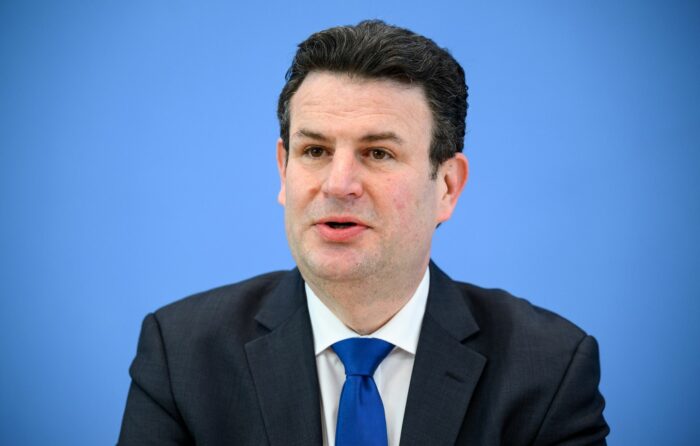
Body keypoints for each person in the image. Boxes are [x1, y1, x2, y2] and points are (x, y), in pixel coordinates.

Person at [118, 20, 609, 446]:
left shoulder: (549, 368)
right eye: (314, 151)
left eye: (378, 153)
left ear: (447, 186)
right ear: (283, 170)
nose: (338, 184)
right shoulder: (181, 353)